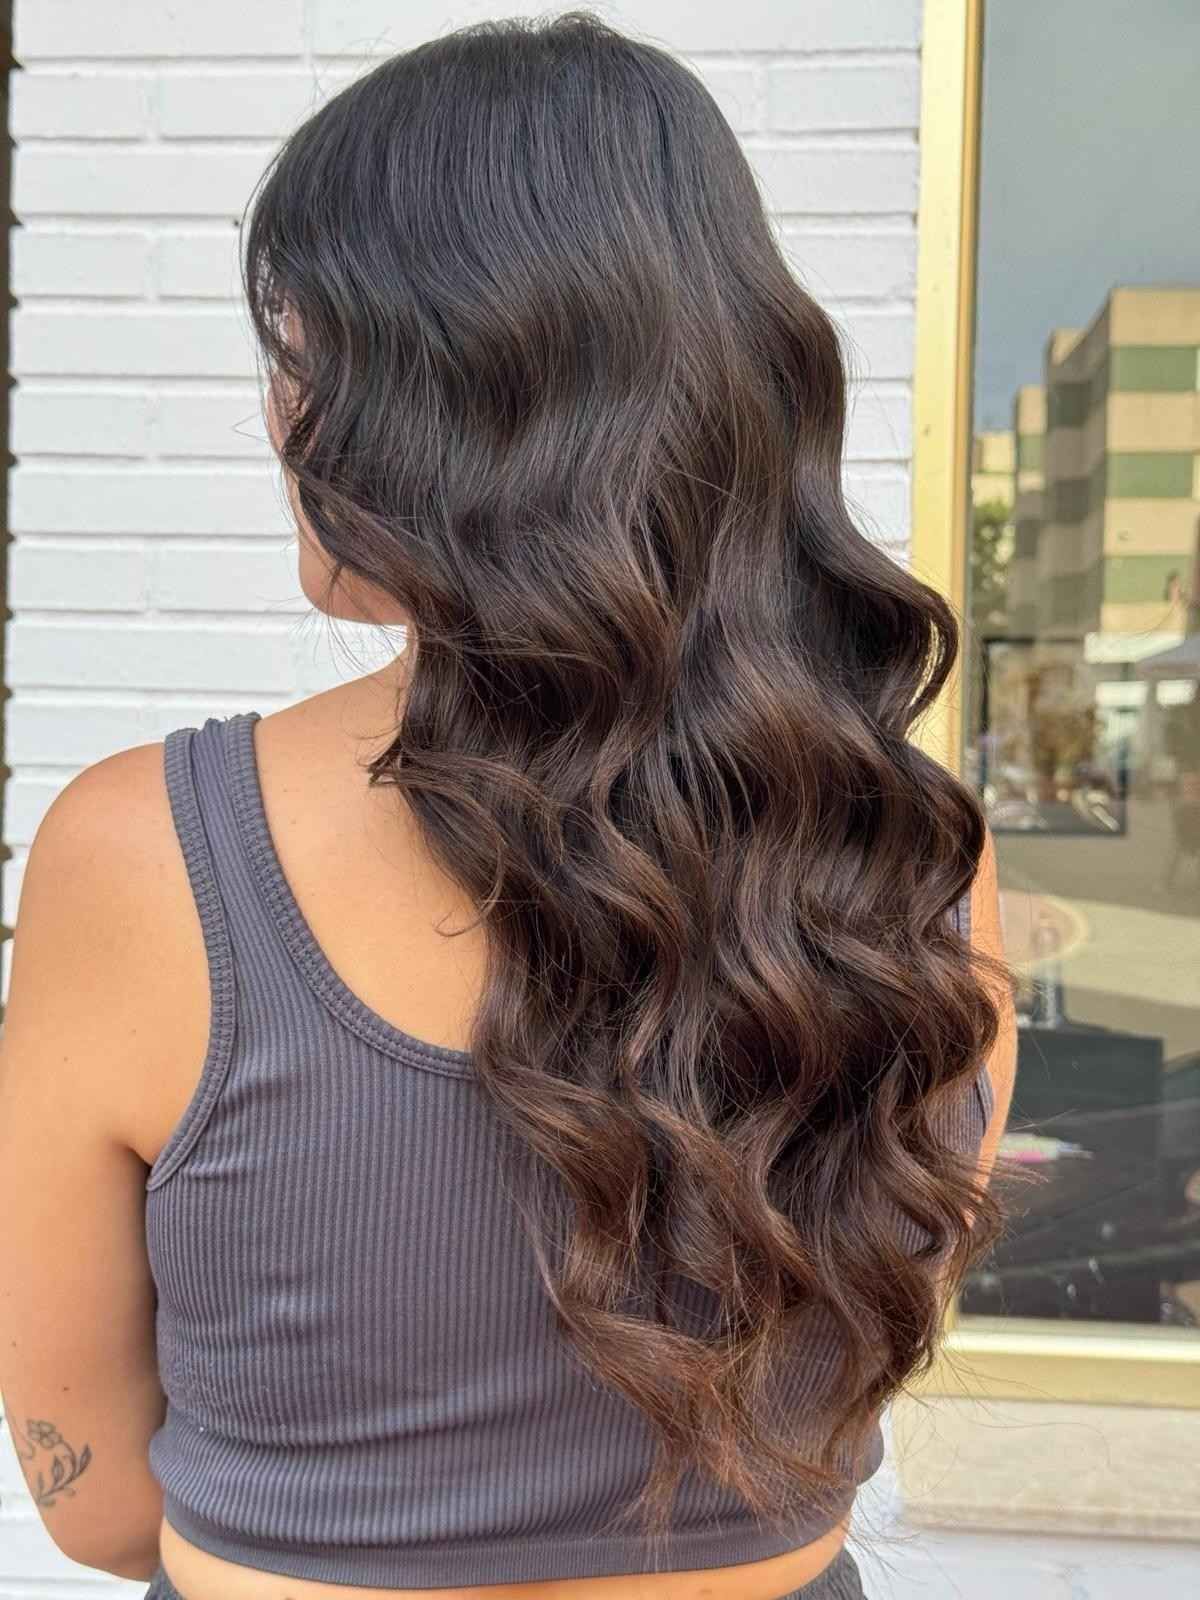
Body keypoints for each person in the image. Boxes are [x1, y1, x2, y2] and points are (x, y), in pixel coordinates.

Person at [0, 12, 1017, 1600]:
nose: (277, 420)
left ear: (448, 404)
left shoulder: (147, 854)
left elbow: (96, 1505)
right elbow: (852, 1361)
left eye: (299, 354)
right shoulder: (916, 853)